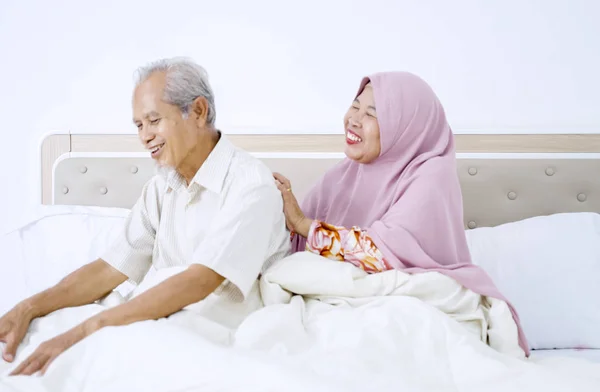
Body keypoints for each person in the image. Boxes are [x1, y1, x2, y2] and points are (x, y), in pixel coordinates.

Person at [0, 57, 289, 375]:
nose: (145, 136)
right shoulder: (161, 187)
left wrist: (88, 330)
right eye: (139, 125)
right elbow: (109, 270)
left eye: (154, 120)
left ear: (198, 111)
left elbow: (200, 281)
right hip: (157, 320)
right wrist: (29, 307)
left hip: (214, 332)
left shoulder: (250, 184)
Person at [273, 71, 530, 356]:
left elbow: (380, 254)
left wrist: (304, 224)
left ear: (405, 128)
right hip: (346, 305)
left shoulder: (431, 174)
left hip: (412, 304)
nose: (354, 119)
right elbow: (293, 248)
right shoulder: (344, 175)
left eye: (372, 114)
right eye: (355, 106)